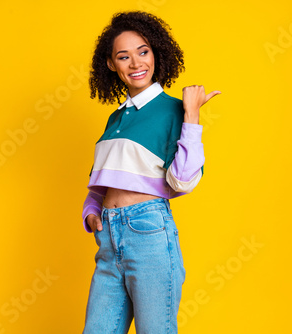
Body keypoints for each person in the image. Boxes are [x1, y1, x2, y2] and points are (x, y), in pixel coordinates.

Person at [81, 11, 220, 334]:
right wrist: (91, 211)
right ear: (111, 64)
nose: (135, 63)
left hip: (148, 233)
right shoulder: (115, 119)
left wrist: (192, 117)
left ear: (156, 52)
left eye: (143, 51)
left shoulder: (173, 110)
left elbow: (183, 181)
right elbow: (100, 183)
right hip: (108, 240)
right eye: (123, 56)